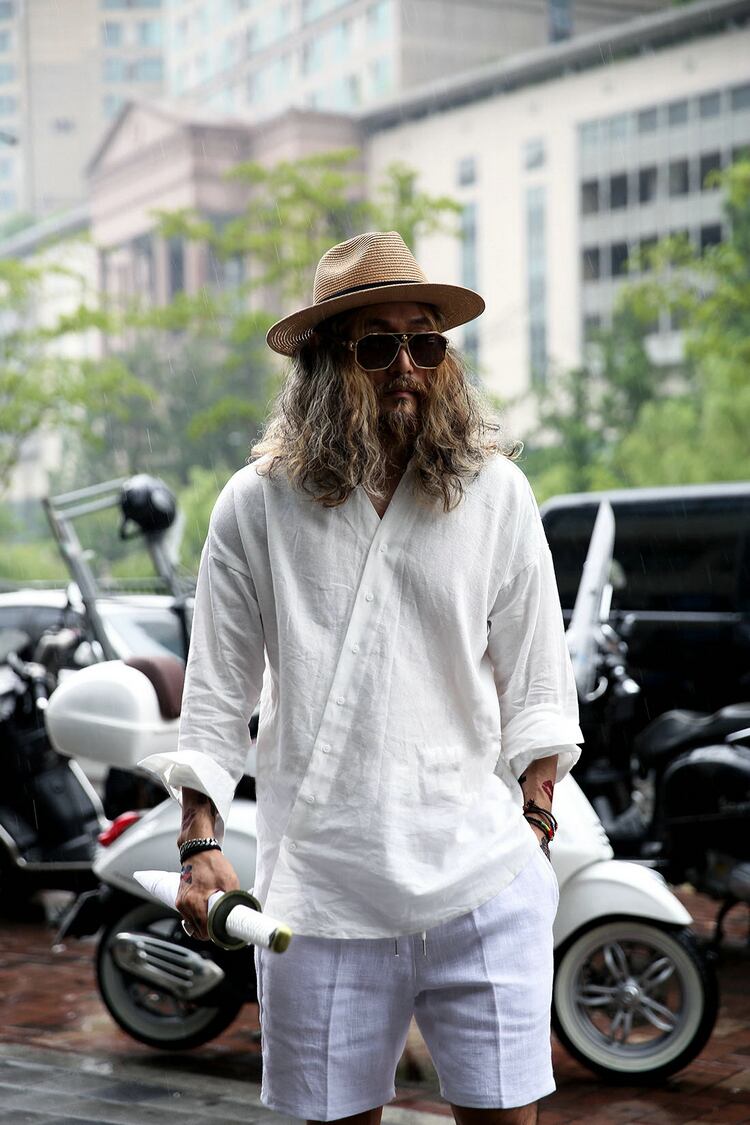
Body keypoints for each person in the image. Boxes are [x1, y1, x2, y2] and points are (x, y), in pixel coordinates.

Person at [141, 230, 583, 1125]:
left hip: (482, 880)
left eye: (426, 342)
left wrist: (534, 829)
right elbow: (218, 698)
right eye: (378, 347)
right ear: (321, 362)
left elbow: (539, 688)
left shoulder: (496, 494)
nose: (408, 366)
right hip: (321, 894)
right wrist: (198, 842)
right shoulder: (256, 505)